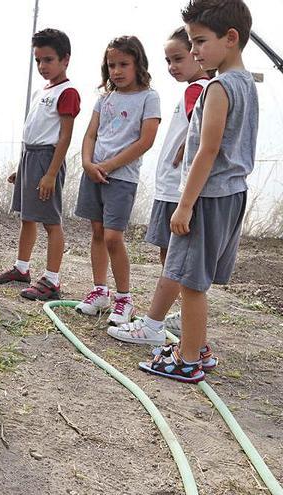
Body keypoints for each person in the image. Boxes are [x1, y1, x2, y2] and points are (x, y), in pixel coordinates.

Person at [139, 0, 257, 382]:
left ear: (231, 38)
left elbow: (208, 150)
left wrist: (184, 205)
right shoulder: (245, 83)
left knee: (190, 281)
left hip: (208, 195)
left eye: (200, 42)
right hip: (233, 193)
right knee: (197, 279)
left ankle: (188, 359)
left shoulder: (219, 87)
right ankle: (197, 347)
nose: (193, 52)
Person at [108, 27, 211, 345]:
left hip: (177, 188)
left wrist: (183, 154)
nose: (173, 66)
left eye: (179, 58)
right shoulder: (193, 89)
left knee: (176, 259)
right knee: (169, 256)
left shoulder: (200, 88)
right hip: (170, 186)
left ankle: (156, 324)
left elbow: (202, 133)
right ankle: (178, 313)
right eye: (169, 60)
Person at [75, 35, 161, 326]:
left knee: (114, 236)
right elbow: (90, 134)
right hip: (94, 173)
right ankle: (100, 291)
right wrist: (87, 163)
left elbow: (146, 141)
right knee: (97, 232)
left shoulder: (150, 97)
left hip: (121, 177)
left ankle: (125, 298)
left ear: (138, 64)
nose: (117, 71)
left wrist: (108, 165)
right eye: (112, 65)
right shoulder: (105, 99)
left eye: (124, 64)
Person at [0, 28, 80, 300]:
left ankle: (52, 279)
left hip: (47, 159)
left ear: (65, 59)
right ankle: (22, 267)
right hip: (30, 157)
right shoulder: (43, 90)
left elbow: (64, 136)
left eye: (48, 60)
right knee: (27, 217)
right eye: (38, 60)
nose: (42, 66)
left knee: (50, 221)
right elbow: (34, 129)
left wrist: (51, 173)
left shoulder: (68, 91)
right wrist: (22, 168)